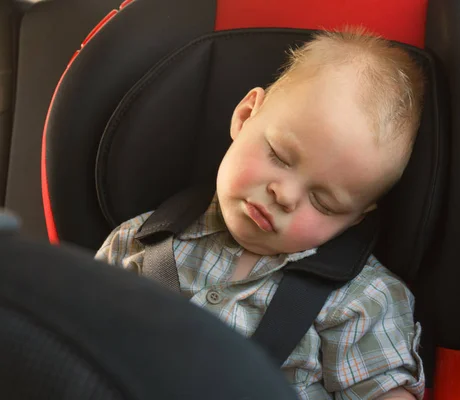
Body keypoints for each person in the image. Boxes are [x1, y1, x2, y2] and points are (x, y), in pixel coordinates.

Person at [96, 26, 425, 400]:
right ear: (246, 114)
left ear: (355, 217)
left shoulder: (363, 301)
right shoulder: (136, 243)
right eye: (280, 157)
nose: (284, 195)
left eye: (323, 203)